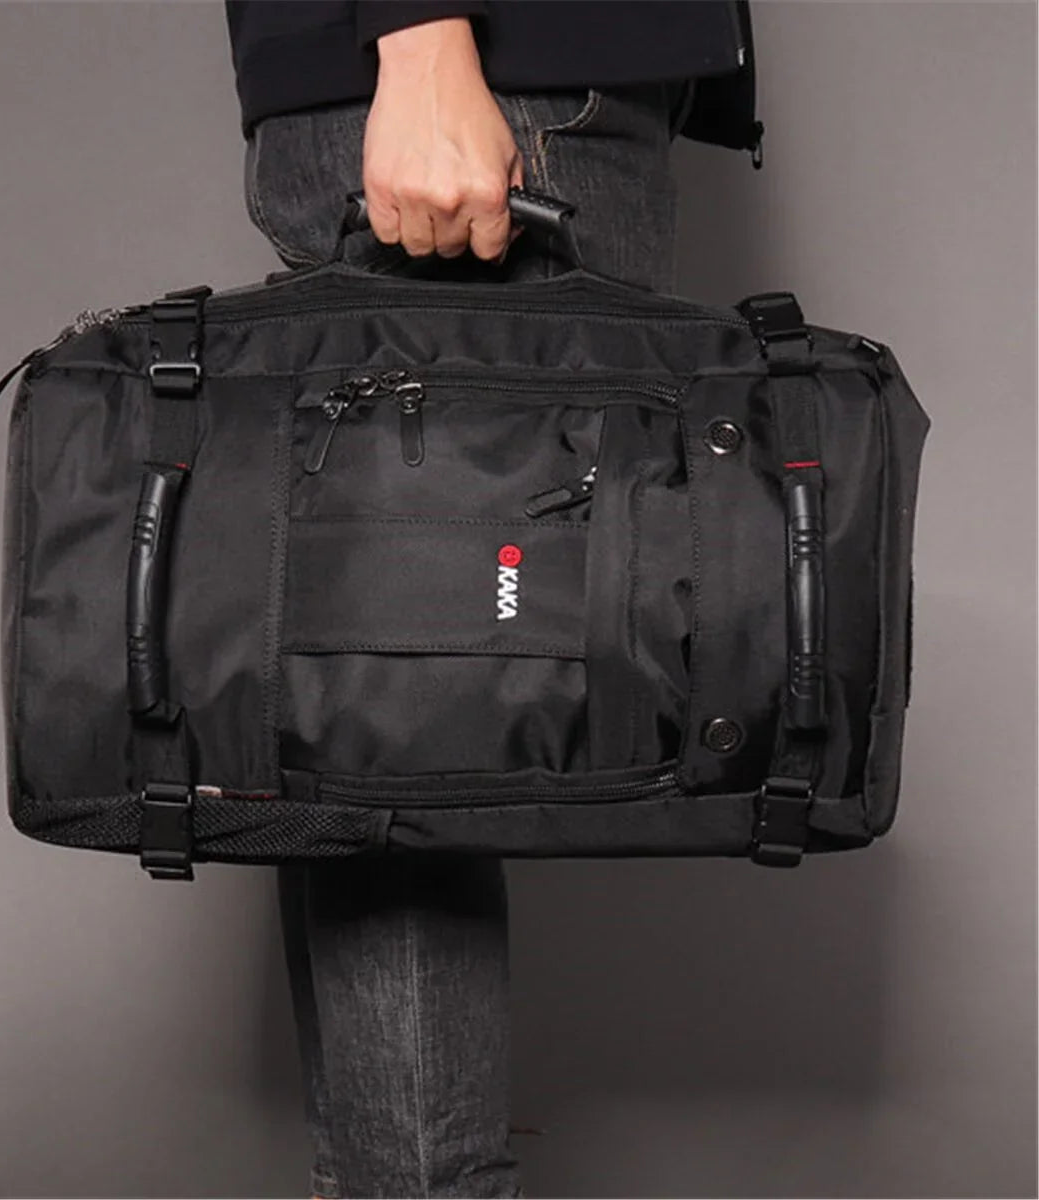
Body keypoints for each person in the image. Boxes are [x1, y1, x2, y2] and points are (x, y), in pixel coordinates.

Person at [223, 4, 762, 1196]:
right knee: (413, 733)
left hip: (538, 84)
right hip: (491, 81)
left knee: (390, 740)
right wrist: (420, 38)